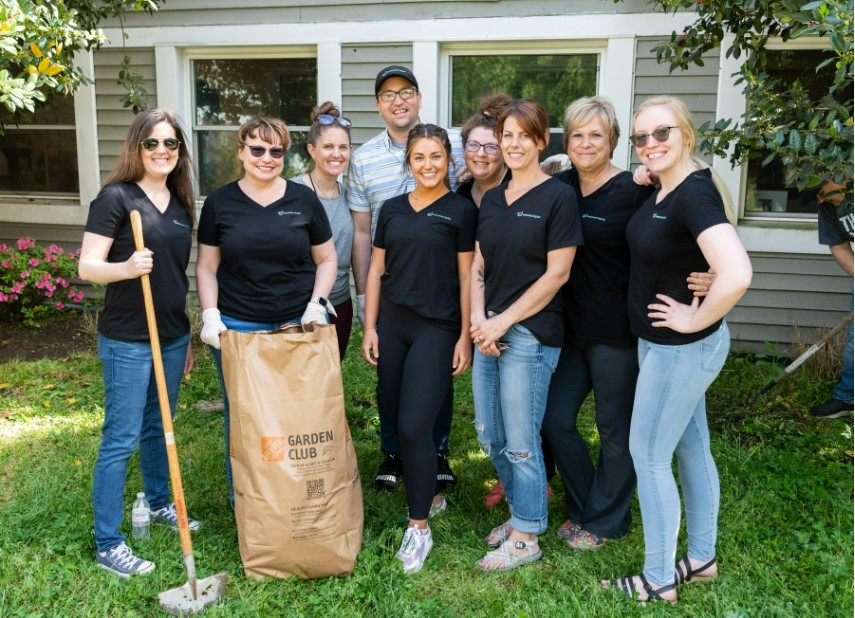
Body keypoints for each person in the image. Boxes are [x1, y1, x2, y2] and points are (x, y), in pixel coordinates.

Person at [601, 96, 752, 603]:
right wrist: (651, 176)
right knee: (691, 447)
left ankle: (658, 577)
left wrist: (694, 317)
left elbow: (737, 272)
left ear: (686, 133)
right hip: (665, 348)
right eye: (641, 138)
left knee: (648, 456)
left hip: (680, 349)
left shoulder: (694, 196)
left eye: (661, 134)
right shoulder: (671, 187)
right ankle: (702, 557)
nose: (650, 145)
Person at [79, 108, 199, 578]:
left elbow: (176, 276)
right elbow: (88, 267)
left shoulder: (181, 203)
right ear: (137, 147)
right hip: (127, 337)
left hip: (170, 335)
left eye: (171, 143)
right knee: (122, 435)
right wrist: (126, 268)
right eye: (153, 143)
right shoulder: (115, 198)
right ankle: (109, 542)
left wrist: (185, 333)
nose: (162, 151)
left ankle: (160, 502)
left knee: (159, 423)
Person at [195, 116, 337, 502]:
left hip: (295, 323)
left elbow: (326, 260)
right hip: (240, 326)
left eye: (276, 151)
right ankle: (247, 501)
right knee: (245, 416)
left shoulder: (303, 199)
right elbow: (207, 266)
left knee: (297, 414)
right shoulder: (220, 203)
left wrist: (316, 306)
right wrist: (211, 314)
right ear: (241, 152)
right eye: (257, 149)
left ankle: (293, 496)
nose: (267, 158)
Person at [471, 99, 582, 572]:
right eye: (506, 135)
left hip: (532, 336)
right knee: (489, 433)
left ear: (541, 142)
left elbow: (557, 275)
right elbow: (478, 266)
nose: (513, 144)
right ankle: (522, 514)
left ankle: (527, 534)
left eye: (524, 136)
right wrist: (480, 323)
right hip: (489, 331)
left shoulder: (558, 198)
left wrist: (502, 322)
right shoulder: (493, 198)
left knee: (520, 439)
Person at [361, 124, 477, 573]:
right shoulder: (390, 209)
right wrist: (370, 327)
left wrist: (464, 334)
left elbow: (468, 277)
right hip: (393, 325)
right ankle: (428, 492)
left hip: (436, 327)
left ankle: (419, 527)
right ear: (408, 163)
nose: (428, 165)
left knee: (413, 425)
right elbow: (375, 271)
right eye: (419, 157)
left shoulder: (461, 211)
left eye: (436, 156)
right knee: (393, 412)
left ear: (449, 160)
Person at [347, 65, 465, 493]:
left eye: (407, 92)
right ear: (379, 105)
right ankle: (393, 451)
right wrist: (365, 299)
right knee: (390, 379)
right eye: (388, 94)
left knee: (435, 374)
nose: (398, 100)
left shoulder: (455, 146)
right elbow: (363, 232)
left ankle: (437, 451)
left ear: (418, 98)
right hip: (391, 287)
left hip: (439, 283)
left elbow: (494, 172)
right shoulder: (362, 159)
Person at [290, 102, 355, 360]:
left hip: (339, 304)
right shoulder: (291, 194)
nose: (336, 154)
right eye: (328, 147)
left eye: (343, 147)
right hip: (297, 306)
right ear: (312, 150)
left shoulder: (352, 197)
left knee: (327, 382)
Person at [810, 179, 853, 419]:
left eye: (821, 191)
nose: (820, 199)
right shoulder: (828, 207)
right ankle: (848, 398)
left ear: (838, 177)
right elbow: (839, 247)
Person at [457, 94, 512, 208]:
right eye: (473, 145)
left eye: (491, 147)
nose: (481, 154)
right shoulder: (461, 194)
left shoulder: (518, 193)